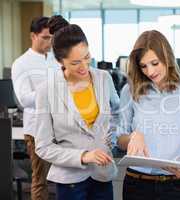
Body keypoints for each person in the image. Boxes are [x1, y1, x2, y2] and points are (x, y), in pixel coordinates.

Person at [116, 30, 180, 200]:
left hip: (176, 186)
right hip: (137, 183)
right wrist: (133, 136)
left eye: (155, 63)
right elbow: (119, 140)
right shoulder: (130, 91)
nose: (150, 71)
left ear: (167, 57)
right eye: (143, 66)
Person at [34, 24, 119, 200]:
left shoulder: (103, 78)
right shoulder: (47, 90)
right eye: (75, 62)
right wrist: (83, 156)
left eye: (86, 57)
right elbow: (43, 147)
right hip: (70, 180)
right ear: (60, 61)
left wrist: (111, 139)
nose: (84, 66)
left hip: (102, 174)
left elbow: (116, 113)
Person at [11, 16, 52, 200]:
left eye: (52, 37)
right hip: (37, 130)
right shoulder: (21, 63)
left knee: (64, 178)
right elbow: (24, 99)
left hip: (60, 126)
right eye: (45, 37)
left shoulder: (55, 59)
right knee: (40, 179)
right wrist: (52, 93)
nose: (49, 41)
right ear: (33, 36)